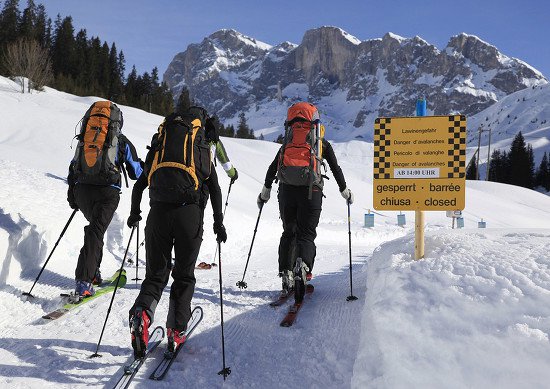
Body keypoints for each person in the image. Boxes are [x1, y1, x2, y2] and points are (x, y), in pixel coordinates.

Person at [126, 105, 226, 358]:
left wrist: (135, 213)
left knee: (155, 277)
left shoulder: (161, 145)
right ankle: (175, 331)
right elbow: (214, 189)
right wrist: (218, 222)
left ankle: (143, 315)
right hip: (188, 215)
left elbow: (140, 185)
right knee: (183, 275)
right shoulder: (199, 148)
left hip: (157, 214)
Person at [257, 102, 354, 303]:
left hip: (286, 192)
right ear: (315, 123)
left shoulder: (287, 143)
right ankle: (302, 267)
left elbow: (271, 168)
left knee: (289, 231)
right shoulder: (320, 144)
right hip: (312, 191)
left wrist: (265, 193)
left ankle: (286, 272)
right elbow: (336, 169)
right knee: (306, 234)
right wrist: (345, 192)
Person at [67, 100, 143, 298]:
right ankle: (84, 280)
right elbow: (136, 172)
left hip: (82, 191)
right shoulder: (121, 141)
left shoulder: (86, 138)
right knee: (96, 231)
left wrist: (72, 194)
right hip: (107, 193)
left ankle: (92, 273)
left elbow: (73, 165)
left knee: (95, 229)